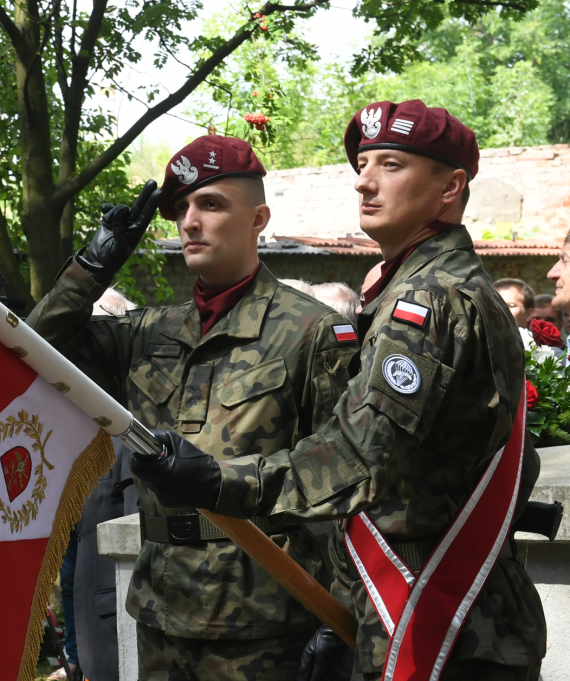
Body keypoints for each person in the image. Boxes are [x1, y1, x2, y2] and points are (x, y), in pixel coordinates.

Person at [132, 100, 546, 680]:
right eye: (365, 162)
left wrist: (216, 481)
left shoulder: (429, 299)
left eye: (392, 164)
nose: (364, 180)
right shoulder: (431, 285)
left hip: (439, 618)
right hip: (434, 609)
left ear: (450, 188)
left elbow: (358, 457)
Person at [28, 135, 359, 680]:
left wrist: (337, 616)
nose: (189, 221)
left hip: (265, 615)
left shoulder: (313, 331)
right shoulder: (150, 331)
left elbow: (340, 476)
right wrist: (91, 267)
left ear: (259, 218)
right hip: (163, 605)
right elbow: (36, 349)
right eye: (181, 208)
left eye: (210, 204)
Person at [70, 288, 139, 681]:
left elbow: (137, 536)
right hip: (89, 619)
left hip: (123, 624)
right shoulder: (82, 427)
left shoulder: (133, 427)